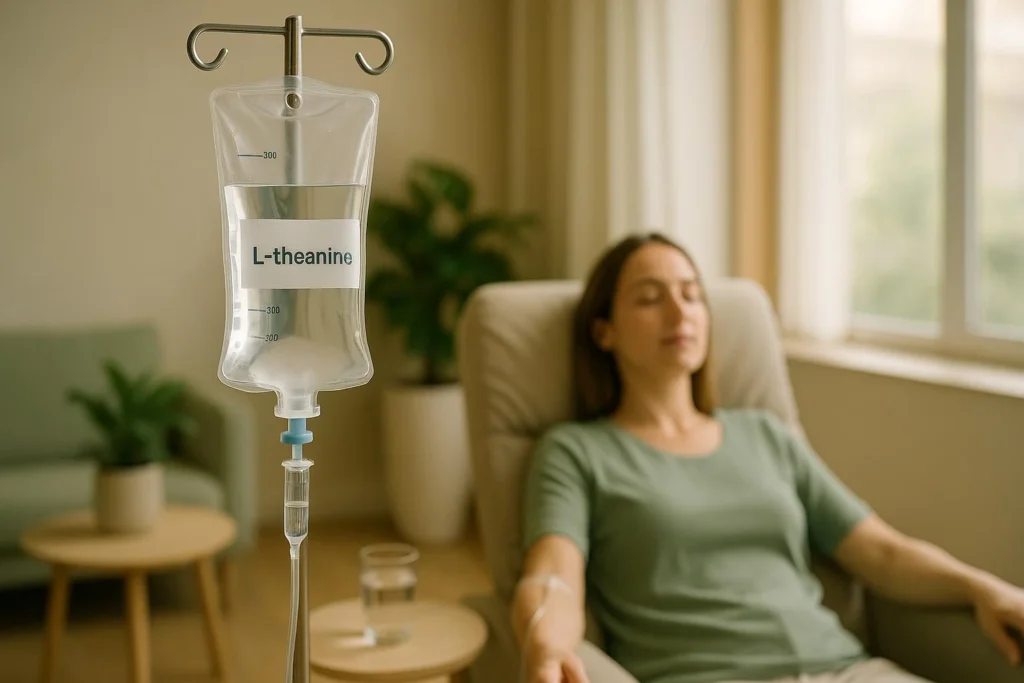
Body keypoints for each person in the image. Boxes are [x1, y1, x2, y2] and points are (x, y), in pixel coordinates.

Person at [512, 233, 1024, 683]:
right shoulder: (577, 451)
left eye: (692, 295)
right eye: (650, 298)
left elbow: (880, 551)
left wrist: (983, 589)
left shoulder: (764, 434)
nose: (680, 311)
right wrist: (545, 644)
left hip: (851, 671)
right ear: (604, 332)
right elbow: (553, 575)